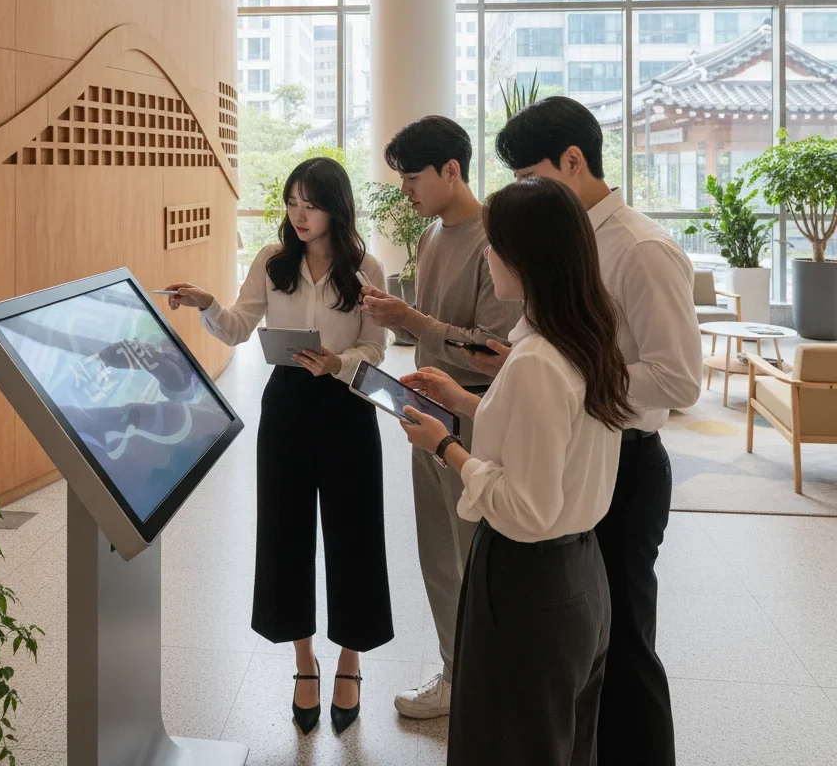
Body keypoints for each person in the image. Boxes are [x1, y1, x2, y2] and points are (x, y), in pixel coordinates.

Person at [477, 95, 703, 766]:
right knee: (583, 651)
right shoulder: (567, 237)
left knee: (626, 647)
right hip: (575, 452)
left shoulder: (640, 247)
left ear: (574, 161)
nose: (525, 194)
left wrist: (571, 378)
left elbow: (680, 378)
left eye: (530, 178)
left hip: (626, 462)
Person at [398, 176, 628, 765]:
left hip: (530, 585)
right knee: (565, 743)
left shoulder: (536, 362)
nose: (484, 251)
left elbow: (525, 508)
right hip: (581, 574)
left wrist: (445, 444)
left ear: (525, 259)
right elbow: (550, 440)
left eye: (494, 243)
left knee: (508, 744)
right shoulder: (586, 338)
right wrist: (468, 401)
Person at [167, 157, 393, 736]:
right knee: (285, 532)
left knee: (355, 535)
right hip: (288, 404)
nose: (298, 215)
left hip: (346, 404)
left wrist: (339, 361)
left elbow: (376, 347)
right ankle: (303, 661)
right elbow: (241, 325)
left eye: (310, 204)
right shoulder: (273, 262)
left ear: (335, 208)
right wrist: (207, 306)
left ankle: (350, 660)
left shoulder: (367, 267)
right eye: (292, 203)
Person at [359, 116, 521, 719]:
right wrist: (397, 318)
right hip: (423, 407)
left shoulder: (494, 239)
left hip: (475, 410)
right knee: (436, 551)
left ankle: (482, 679)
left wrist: (413, 320)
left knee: (472, 551)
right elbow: (431, 332)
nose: (405, 190)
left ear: (452, 170)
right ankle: (457, 673)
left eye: (413, 177)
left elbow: (492, 346)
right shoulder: (431, 237)